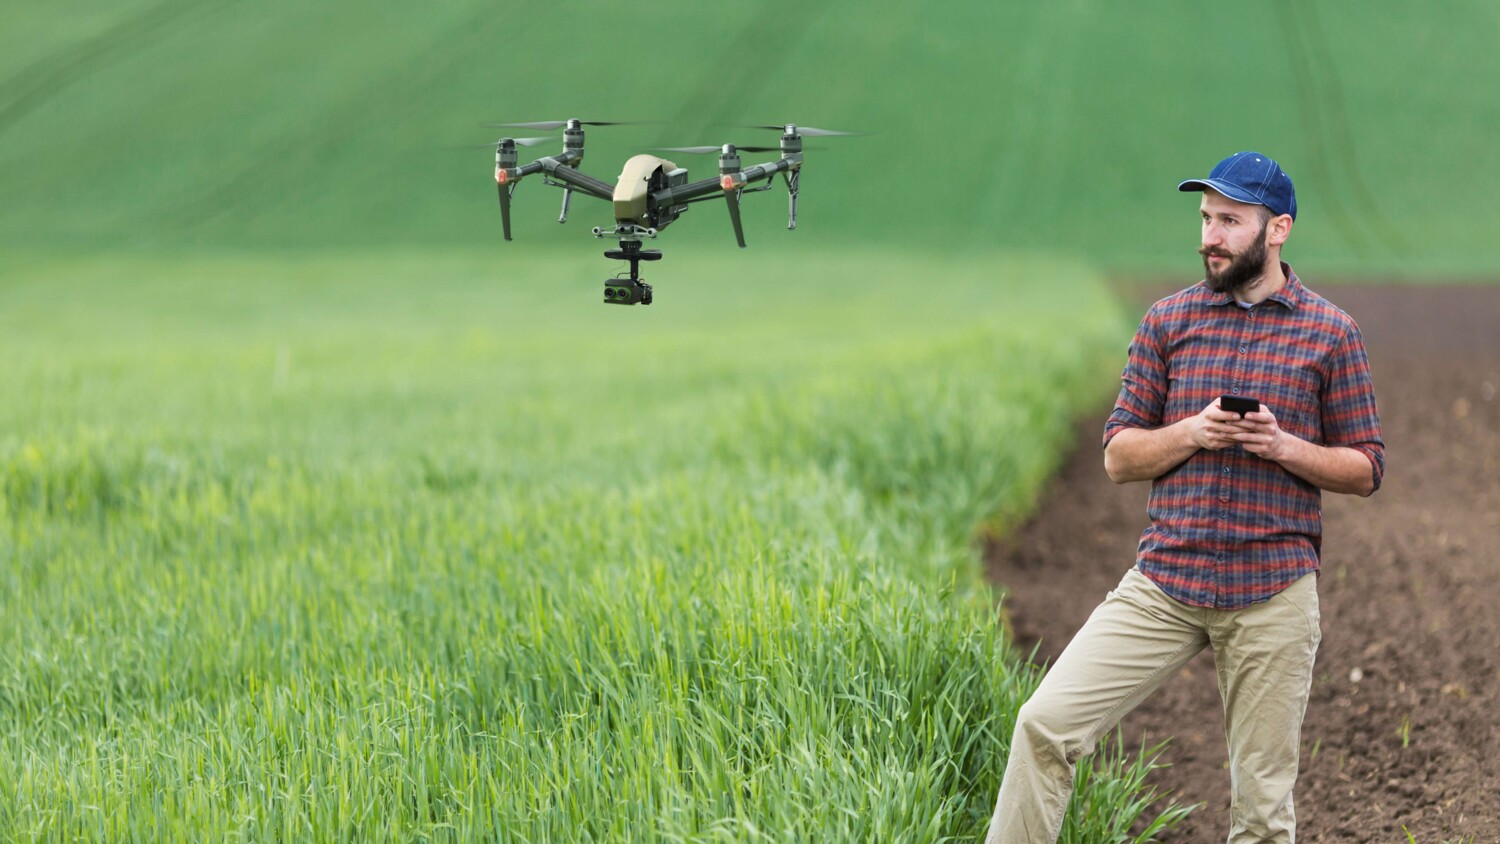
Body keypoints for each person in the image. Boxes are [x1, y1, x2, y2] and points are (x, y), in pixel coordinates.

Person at [984, 151, 1384, 843]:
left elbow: (1366, 467)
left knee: (1261, 812)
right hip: (1165, 583)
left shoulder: (1330, 333)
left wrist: (1281, 445)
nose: (1210, 235)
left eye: (1230, 220)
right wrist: (1194, 429)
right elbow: (1117, 457)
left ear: (1278, 229)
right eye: (1205, 218)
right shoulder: (1168, 322)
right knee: (1044, 725)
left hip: (1271, 592)